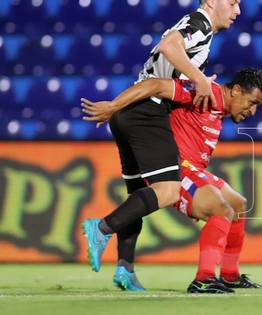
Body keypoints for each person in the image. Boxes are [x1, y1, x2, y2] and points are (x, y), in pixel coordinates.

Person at [81, 0, 241, 289]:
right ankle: (102, 228)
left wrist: (116, 105)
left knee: (138, 196)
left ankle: (125, 269)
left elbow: (166, 63)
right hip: (148, 111)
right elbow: (169, 46)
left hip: (130, 110)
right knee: (168, 191)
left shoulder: (198, 29)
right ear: (212, 2)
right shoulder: (200, 23)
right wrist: (199, 79)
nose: (237, 11)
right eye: (232, 2)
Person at [82, 68, 262, 293]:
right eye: (252, 102)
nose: (253, 110)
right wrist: (114, 105)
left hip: (193, 169)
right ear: (236, 90)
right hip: (176, 168)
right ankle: (204, 279)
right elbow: (156, 85)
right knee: (220, 209)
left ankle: (229, 275)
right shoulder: (205, 92)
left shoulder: (218, 107)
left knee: (238, 204)